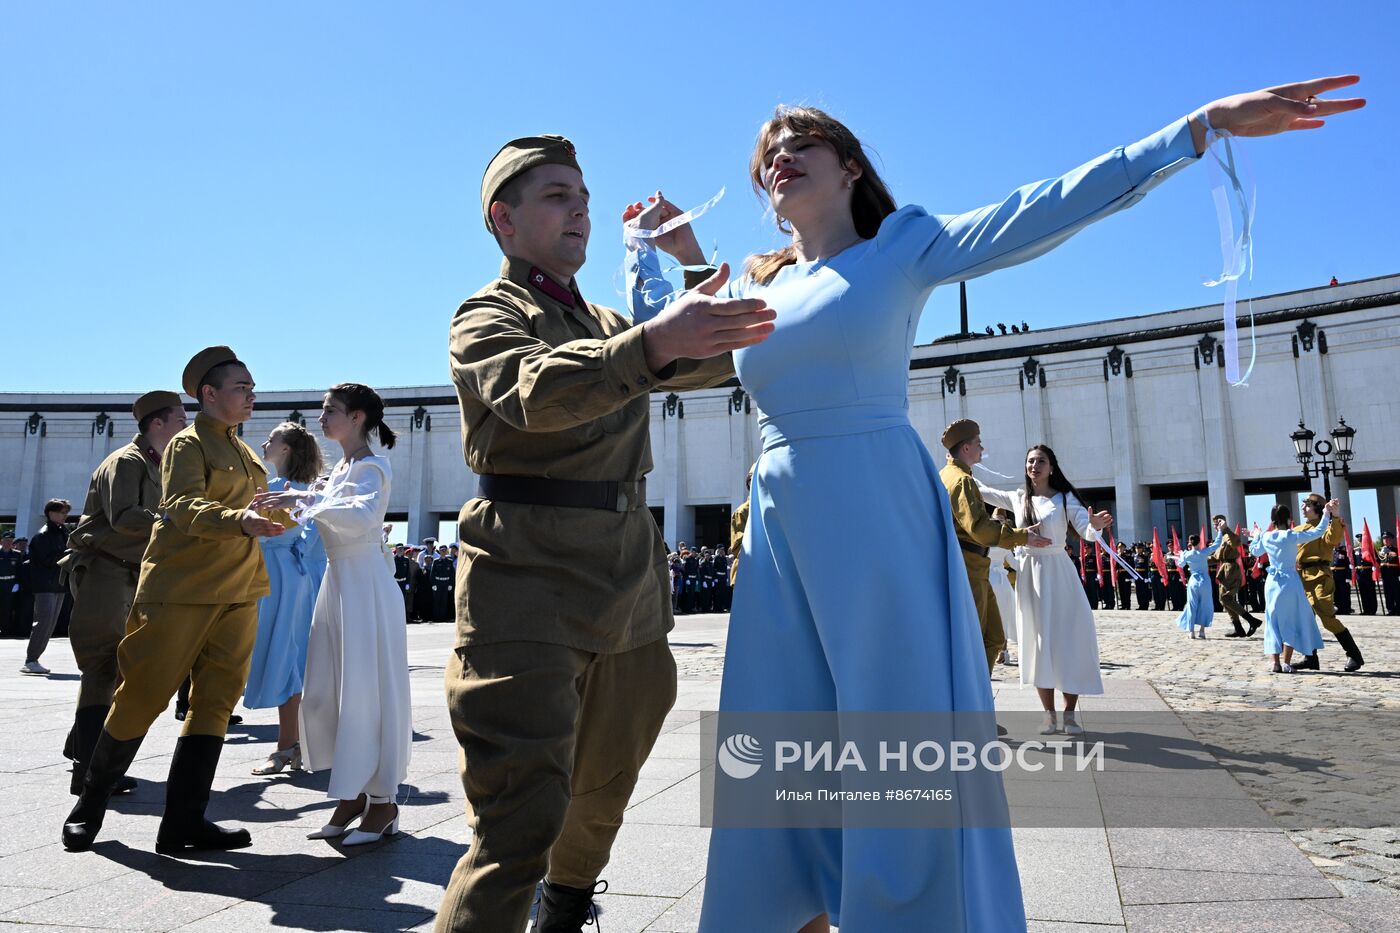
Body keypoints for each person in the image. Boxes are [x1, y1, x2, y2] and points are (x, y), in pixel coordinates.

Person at [628, 76, 1363, 932]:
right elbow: (671, 345)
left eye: (801, 142)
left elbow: (1034, 209)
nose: (778, 157)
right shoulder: (764, 283)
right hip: (780, 522)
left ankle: (903, 913)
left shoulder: (899, 248)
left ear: (851, 168)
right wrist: (672, 250)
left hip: (873, 505)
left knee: (886, 729)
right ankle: (791, 913)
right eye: (768, 154)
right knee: (778, 724)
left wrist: (1194, 130)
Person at [435, 135, 760, 932]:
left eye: (582, 193)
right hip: (527, 589)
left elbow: (705, 360)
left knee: (604, 793)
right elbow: (531, 392)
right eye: (556, 195)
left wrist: (687, 263)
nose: (580, 205)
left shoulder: (609, 319)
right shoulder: (489, 312)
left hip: (626, 595)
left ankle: (565, 913)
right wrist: (652, 342)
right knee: (517, 826)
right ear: (503, 220)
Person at [62, 346, 289, 853]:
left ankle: (184, 822)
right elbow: (183, 507)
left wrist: (297, 507)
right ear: (210, 395)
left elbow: (257, 513)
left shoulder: (247, 452)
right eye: (241, 388)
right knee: (142, 695)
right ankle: (90, 802)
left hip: (239, 590)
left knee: (214, 704)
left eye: (252, 387)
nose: (252, 395)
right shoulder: (188, 445)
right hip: (181, 591)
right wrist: (242, 520)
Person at [251, 383, 411, 846]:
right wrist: (295, 502)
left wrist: (302, 501)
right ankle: (352, 793)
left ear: (358, 417)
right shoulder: (339, 469)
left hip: (366, 587)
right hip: (339, 582)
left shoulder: (373, 466)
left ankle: (382, 800)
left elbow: (360, 516)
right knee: (331, 687)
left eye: (332, 410)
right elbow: (322, 512)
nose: (323, 417)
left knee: (367, 688)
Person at [59, 391, 185, 795]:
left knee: (117, 668)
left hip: (129, 575)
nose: (186, 426)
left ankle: (84, 749)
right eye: (180, 419)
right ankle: (88, 772)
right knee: (103, 666)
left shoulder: (157, 464)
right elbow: (125, 517)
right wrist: (177, 518)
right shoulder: (126, 462)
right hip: (104, 572)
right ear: (157, 423)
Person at [980, 447, 1112, 738]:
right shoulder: (1018, 498)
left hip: (1058, 571)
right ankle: (1049, 715)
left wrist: (1095, 527)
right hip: (1030, 575)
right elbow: (985, 492)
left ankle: (1069, 713)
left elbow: (1085, 530)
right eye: (1030, 461)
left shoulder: (1065, 499)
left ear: (1052, 467)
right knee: (1038, 642)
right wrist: (956, 464)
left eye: (1041, 461)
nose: (1034, 466)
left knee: (1069, 638)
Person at [244, 421, 327, 776]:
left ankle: (287, 745)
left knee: (285, 658)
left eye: (271, 439)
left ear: (286, 449)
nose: (264, 443)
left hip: (278, 579)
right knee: (293, 659)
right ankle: (293, 743)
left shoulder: (278, 489)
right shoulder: (310, 490)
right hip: (298, 578)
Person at [938, 420, 1046, 676]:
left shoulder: (947, 475)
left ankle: (976, 697)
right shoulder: (962, 480)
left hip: (974, 566)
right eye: (978, 443)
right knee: (978, 640)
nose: (981, 447)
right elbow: (979, 528)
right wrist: (1021, 536)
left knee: (994, 637)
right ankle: (971, 702)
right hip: (969, 565)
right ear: (965, 448)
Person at [1250, 500, 1338, 674]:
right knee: (1289, 620)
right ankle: (1286, 662)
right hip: (1289, 580)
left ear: (1272, 520)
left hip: (1272, 581)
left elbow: (1254, 551)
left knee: (1272, 620)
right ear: (1289, 519)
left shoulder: (1267, 536)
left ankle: (1275, 663)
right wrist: (1327, 513)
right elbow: (1318, 531)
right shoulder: (1291, 535)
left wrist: (1256, 535)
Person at [1294, 494, 1365, 672]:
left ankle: (1354, 655)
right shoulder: (1298, 529)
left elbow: (1333, 539)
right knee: (1305, 619)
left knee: (1327, 618)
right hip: (1300, 577)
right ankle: (1310, 658)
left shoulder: (1326, 526)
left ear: (1317, 509)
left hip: (1319, 576)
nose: (1303, 508)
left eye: (1307, 505)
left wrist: (1334, 515)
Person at [20, 498, 72, 675]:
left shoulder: (62, 532)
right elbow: (46, 561)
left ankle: (34, 659)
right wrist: (67, 555)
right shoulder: (42, 535)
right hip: (45, 585)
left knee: (50, 624)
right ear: (51, 513)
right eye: (62, 512)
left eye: (66, 512)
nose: (65, 516)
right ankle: (31, 659)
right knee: (42, 623)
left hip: (57, 584)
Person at [1212, 517, 1262, 637]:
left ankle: (1252, 621)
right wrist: (1198, 559)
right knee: (1224, 600)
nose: (1215, 526)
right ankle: (1238, 628)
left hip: (1231, 570)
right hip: (1224, 569)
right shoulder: (1222, 537)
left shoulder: (1227, 535)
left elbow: (1236, 542)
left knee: (1226, 598)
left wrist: (1226, 529)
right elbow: (1216, 557)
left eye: (1217, 524)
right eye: (1215, 524)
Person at [1173, 531, 1221, 639]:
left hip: (1193, 580)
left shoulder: (1187, 554)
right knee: (1205, 605)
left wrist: (1182, 554)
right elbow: (1217, 544)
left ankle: (1191, 632)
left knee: (1192, 605)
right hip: (1205, 581)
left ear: (1190, 543)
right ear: (1199, 542)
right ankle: (1202, 631)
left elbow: (1180, 564)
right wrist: (1220, 531)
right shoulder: (1204, 552)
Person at [0, 531, 20, 639]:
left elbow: (19, 572)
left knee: (7, 609)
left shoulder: (16, 555)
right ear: (1, 541)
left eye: (10, 541)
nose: (8, 543)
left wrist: (17, 584)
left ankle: (5, 631)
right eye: (6, 541)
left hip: (10, 585)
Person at [1380, 531, 1399, 615]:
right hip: (1385, 574)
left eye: (1387, 538)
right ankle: (1390, 609)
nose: (1386, 540)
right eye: (1384, 538)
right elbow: (1378, 561)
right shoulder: (1381, 550)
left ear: (1391, 539)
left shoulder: (1396, 549)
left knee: (1397, 593)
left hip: (1394, 574)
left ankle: (1398, 609)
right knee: (1388, 593)